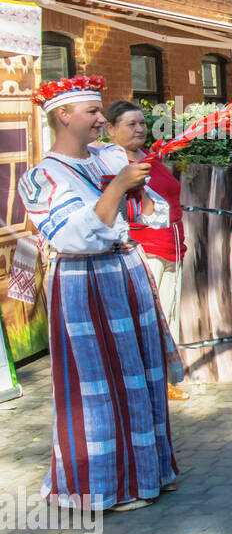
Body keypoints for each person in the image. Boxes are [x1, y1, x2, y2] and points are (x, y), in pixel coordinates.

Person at [18, 74, 182, 511]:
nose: (99, 119)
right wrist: (117, 186)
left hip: (126, 270)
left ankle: (147, 475)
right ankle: (104, 487)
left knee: (141, 377)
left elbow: (151, 216)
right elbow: (74, 235)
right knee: (97, 385)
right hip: (82, 280)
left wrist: (139, 190)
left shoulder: (107, 156)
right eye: (91, 112)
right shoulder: (42, 176)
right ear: (63, 116)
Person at [108, 100, 189, 402]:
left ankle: (164, 376)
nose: (140, 128)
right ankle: (146, 378)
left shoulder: (151, 156)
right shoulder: (112, 162)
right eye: (131, 124)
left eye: (142, 123)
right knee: (148, 316)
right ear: (111, 129)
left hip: (172, 244)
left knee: (168, 313)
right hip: (143, 249)